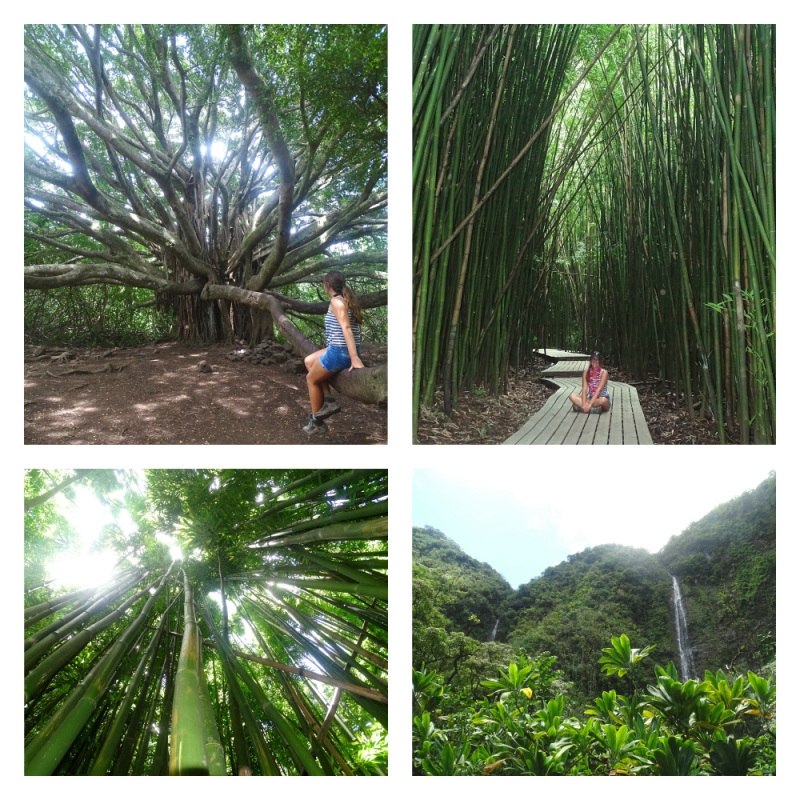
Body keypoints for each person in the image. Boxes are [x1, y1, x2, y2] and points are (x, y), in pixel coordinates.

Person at [303, 271, 365, 435]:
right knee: (309, 361)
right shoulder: (343, 301)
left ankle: (317, 422)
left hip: (341, 352)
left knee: (311, 379)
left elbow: (346, 328)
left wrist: (354, 358)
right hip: (337, 348)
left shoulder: (337, 302)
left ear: (327, 286)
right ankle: (329, 400)